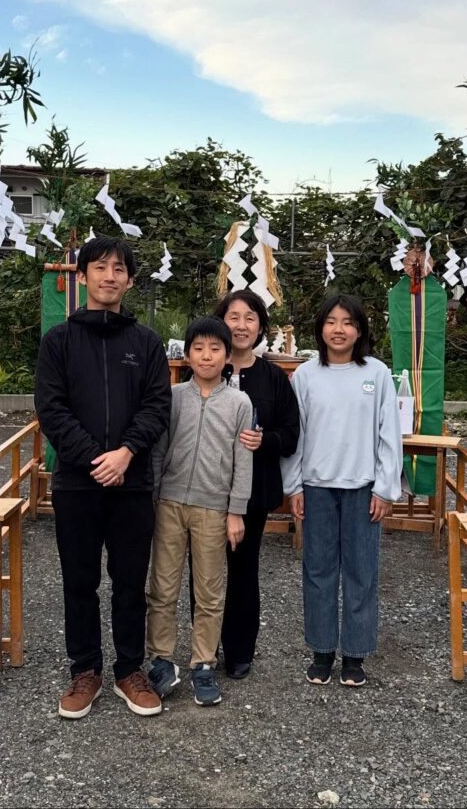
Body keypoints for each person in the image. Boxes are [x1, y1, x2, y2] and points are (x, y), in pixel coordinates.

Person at [35, 235, 171, 720]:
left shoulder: (146, 343)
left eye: (119, 269)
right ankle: (85, 670)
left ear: (130, 280)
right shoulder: (59, 341)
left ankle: (129, 670)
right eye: (100, 267)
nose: (109, 276)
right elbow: (52, 410)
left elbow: (157, 406)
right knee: (80, 581)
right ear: (83, 275)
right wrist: (97, 459)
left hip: (132, 484)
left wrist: (126, 454)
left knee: (130, 581)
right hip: (77, 483)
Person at [281, 294, 402, 688]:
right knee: (318, 571)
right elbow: (296, 435)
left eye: (348, 322)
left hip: (363, 489)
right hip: (316, 488)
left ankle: (354, 654)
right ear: (320, 329)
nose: (338, 329)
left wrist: (385, 488)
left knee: (361, 572)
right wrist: (294, 485)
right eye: (331, 321)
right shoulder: (306, 375)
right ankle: (321, 650)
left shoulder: (377, 373)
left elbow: (389, 434)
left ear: (360, 329)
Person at [188, 289, 299, 680]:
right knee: (202, 571)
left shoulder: (273, 378)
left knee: (243, 570)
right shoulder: (203, 371)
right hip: (204, 490)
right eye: (233, 316)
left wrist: (264, 439)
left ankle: (239, 651)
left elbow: (291, 435)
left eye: (250, 318)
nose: (241, 325)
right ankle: (205, 650)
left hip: (253, 492)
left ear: (260, 327)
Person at [147, 317, 254, 706]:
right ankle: (160, 660)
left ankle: (203, 663)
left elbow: (243, 460)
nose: (206, 356)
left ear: (227, 355)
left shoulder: (240, 403)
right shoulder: (174, 397)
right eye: (198, 348)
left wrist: (236, 511)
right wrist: (152, 498)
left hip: (214, 508)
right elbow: (158, 451)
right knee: (162, 587)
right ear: (187, 355)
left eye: (214, 348)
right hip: (169, 504)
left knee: (209, 591)